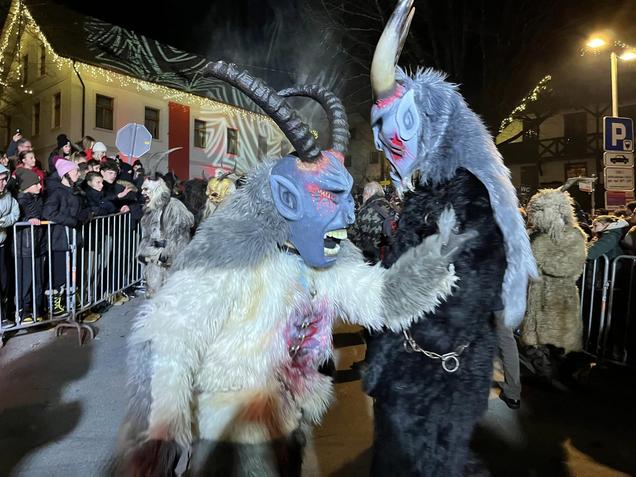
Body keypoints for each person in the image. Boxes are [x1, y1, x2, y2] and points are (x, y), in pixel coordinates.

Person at [113, 63, 467, 476]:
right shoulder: (229, 252)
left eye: (348, 196)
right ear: (287, 198)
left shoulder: (331, 258)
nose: (348, 214)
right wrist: (163, 435)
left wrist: (434, 263)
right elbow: (166, 340)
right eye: (331, 197)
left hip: (287, 422)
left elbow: (381, 299)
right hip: (227, 429)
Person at [363, 2, 537, 475]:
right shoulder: (433, 189)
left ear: (433, 123)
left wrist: (403, 329)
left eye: (400, 131)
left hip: (431, 381)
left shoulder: (467, 193)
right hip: (409, 374)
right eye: (384, 137)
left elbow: (469, 291)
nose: (391, 148)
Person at [520, 188, 588, 384]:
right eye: (534, 212)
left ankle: (569, 376)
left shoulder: (574, 235)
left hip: (558, 298)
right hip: (536, 296)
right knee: (535, 342)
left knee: (560, 344)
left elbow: (568, 266)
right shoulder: (534, 234)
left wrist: (538, 255)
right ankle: (545, 375)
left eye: (541, 211)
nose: (535, 217)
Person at [43, 159, 91, 316]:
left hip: (73, 239)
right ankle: (55, 304)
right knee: (59, 274)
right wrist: (72, 221)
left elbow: (83, 210)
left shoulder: (76, 191)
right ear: (66, 174)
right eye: (75, 171)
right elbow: (48, 213)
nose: (78, 173)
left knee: (73, 273)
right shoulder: (57, 192)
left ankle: (70, 301)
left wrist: (85, 215)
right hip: (60, 240)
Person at [14, 169, 46, 324]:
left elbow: (41, 214)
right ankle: (25, 311)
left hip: (38, 244)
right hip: (25, 247)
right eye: (36, 183)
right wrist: (29, 218)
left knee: (38, 280)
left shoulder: (36, 197)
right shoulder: (22, 199)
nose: (40, 187)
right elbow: (36, 214)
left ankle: (37, 309)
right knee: (26, 281)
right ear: (27, 186)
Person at [348, 181, 396, 264]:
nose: (363, 197)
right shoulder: (391, 206)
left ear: (367, 194)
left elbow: (351, 236)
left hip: (372, 260)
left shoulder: (365, 211)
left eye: (363, 194)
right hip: (390, 256)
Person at [0, 164, 19, 328]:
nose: (3, 183)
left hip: (2, 245)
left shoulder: (7, 196)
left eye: (4, 179)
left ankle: (3, 317)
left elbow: (15, 212)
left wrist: (4, 221)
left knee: (4, 282)